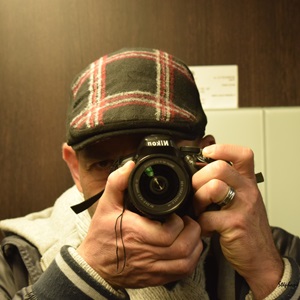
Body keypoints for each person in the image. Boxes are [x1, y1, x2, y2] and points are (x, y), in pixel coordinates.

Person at [0, 48, 299, 300]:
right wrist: (87, 273)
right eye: (106, 164)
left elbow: (271, 270)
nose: (134, 183)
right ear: (75, 168)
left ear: (205, 156)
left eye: (159, 159)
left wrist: (268, 274)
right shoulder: (15, 259)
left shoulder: (267, 248)